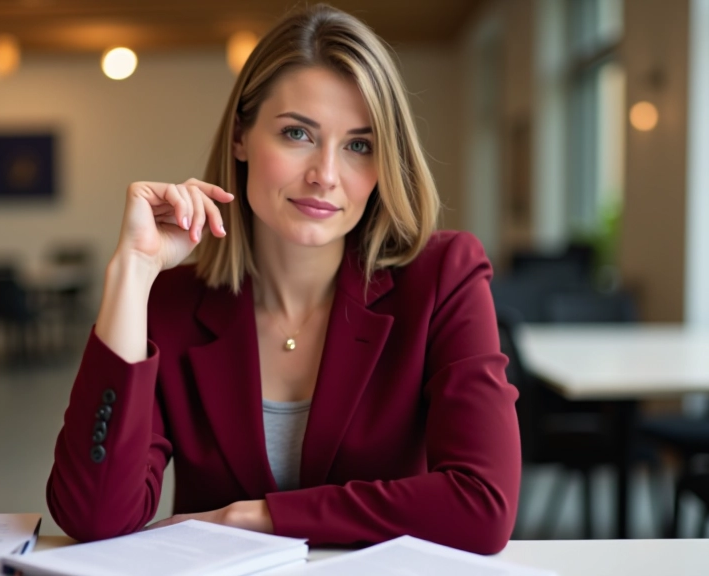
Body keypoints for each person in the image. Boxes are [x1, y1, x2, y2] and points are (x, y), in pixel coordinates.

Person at [46, 4, 520, 554]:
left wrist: (260, 517)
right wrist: (132, 271)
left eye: (359, 145)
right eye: (298, 133)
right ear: (241, 138)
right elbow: (94, 516)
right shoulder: (172, 300)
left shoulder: (442, 278)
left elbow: (482, 506)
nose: (325, 174)